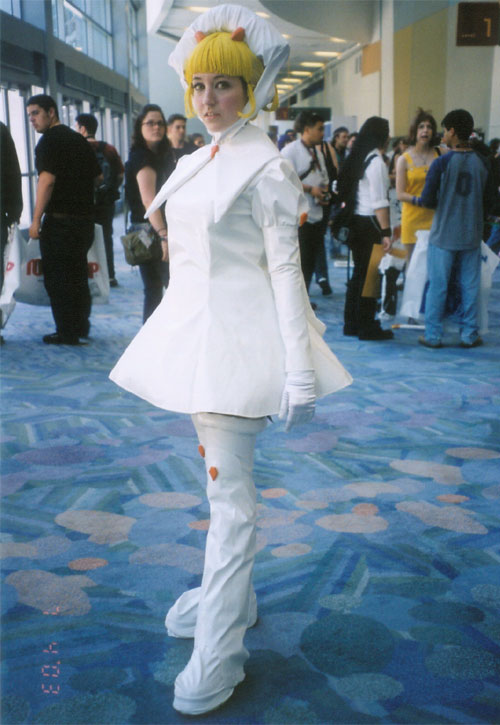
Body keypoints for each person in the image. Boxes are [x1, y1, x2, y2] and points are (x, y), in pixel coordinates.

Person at [110, 4, 352, 715]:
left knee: (230, 502)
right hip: (196, 339)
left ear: (249, 89)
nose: (208, 98)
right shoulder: (199, 159)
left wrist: (299, 369)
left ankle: (221, 647)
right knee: (222, 488)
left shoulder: (265, 168)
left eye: (223, 84)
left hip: (240, 348)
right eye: (199, 85)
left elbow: (285, 271)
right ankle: (234, 600)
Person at [410, 109, 495, 349]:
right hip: (471, 234)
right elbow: (490, 202)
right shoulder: (483, 163)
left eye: (445, 130)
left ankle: (433, 335)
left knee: (438, 286)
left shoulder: (441, 163)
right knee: (470, 286)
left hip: (443, 235)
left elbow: (428, 200)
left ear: (453, 132)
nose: (443, 135)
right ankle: (469, 334)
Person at [26, 94, 100, 345]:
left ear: (51, 112)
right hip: (84, 220)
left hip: (60, 222)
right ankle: (81, 326)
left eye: (36, 113)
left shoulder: (47, 142)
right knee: (78, 274)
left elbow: (47, 181)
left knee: (58, 279)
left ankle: (67, 331)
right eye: (29, 115)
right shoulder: (78, 139)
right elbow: (98, 178)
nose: (32, 120)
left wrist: (36, 219)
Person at [337, 116, 394, 340]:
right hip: (371, 224)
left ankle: (352, 323)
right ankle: (367, 326)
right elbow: (380, 202)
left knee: (359, 275)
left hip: (357, 222)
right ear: (382, 136)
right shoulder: (376, 162)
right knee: (370, 278)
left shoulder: (360, 157)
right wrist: (386, 232)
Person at [124, 104, 175, 323]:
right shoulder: (142, 158)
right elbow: (149, 201)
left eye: (160, 123)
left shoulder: (159, 155)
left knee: (155, 290)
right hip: (151, 232)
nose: (156, 127)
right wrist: (164, 236)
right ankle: (154, 336)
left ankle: (155, 335)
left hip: (152, 229)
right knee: (164, 288)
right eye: (150, 123)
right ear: (140, 127)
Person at [281, 111, 331, 299]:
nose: (322, 133)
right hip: (298, 217)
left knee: (310, 262)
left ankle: (305, 298)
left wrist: (323, 192)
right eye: (320, 129)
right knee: (299, 262)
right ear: (307, 129)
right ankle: (296, 300)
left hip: (316, 213)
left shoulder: (317, 152)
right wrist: (311, 190)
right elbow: (284, 181)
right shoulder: (290, 152)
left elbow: (323, 176)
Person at [75, 113, 124, 287]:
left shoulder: (76, 148)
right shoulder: (109, 149)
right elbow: (120, 174)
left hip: (83, 202)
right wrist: (111, 189)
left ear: (82, 128)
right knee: (106, 237)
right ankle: (109, 275)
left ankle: (87, 275)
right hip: (106, 202)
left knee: (83, 239)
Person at [396, 110, 440, 264]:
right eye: (421, 127)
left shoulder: (440, 154)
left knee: (433, 264)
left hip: (435, 218)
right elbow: (400, 194)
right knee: (412, 264)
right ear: (414, 131)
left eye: (429, 127)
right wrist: (421, 201)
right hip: (412, 218)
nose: (425, 130)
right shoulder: (404, 159)